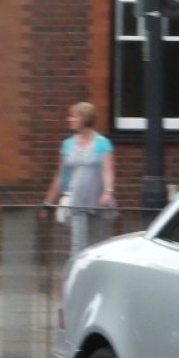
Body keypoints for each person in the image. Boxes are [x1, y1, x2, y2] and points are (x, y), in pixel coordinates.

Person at [41, 101, 116, 253]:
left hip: (97, 200)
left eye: (73, 116)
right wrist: (48, 202)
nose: (69, 120)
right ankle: (77, 274)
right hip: (76, 200)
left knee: (99, 243)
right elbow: (60, 174)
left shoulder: (102, 144)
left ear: (84, 118)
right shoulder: (68, 144)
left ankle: (98, 274)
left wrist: (108, 192)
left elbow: (108, 170)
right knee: (77, 244)